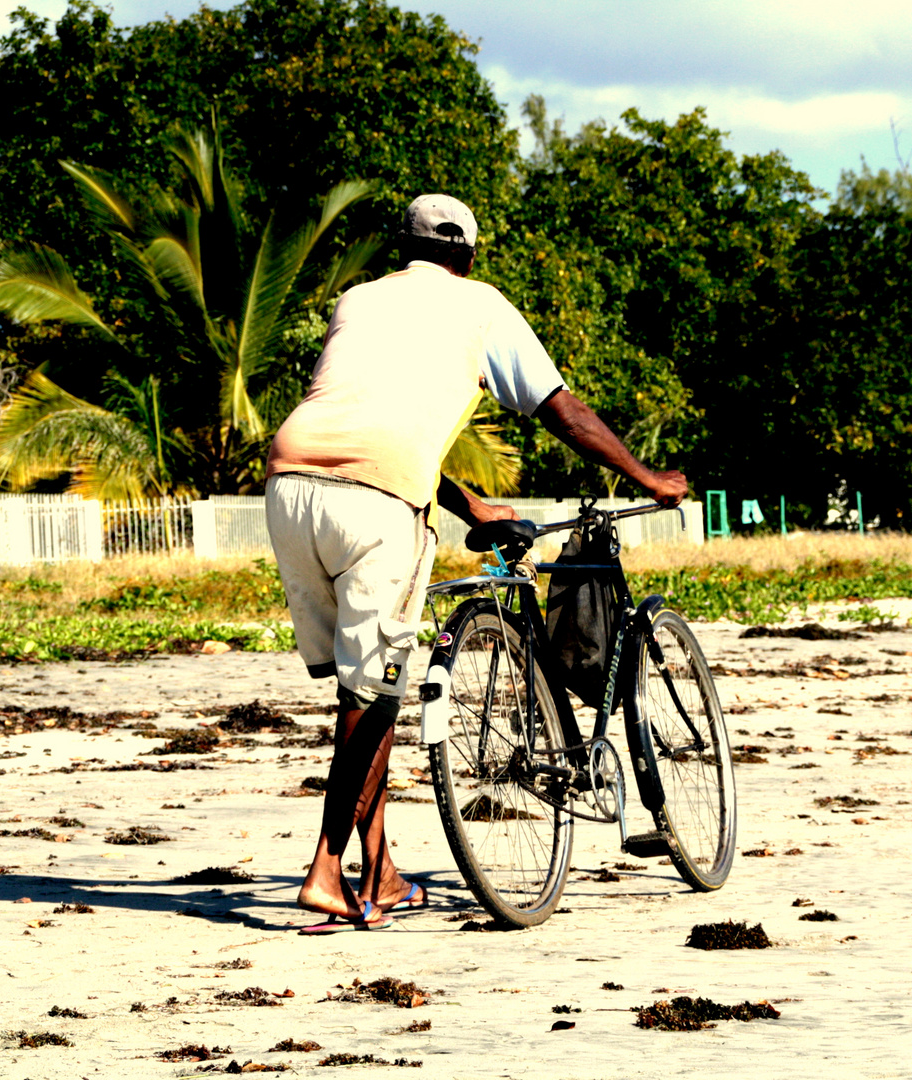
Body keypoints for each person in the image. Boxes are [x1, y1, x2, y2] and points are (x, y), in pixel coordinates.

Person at [265, 194, 687, 933]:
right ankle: (326, 872)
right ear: (467, 257)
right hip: (376, 506)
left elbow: (360, 419)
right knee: (372, 697)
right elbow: (565, 411)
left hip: (289, 486)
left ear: (405, 248)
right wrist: (648, 478)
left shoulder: (357, 301)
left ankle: (382, 872)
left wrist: (469, 506)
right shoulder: (480, 306)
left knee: (370, 692)